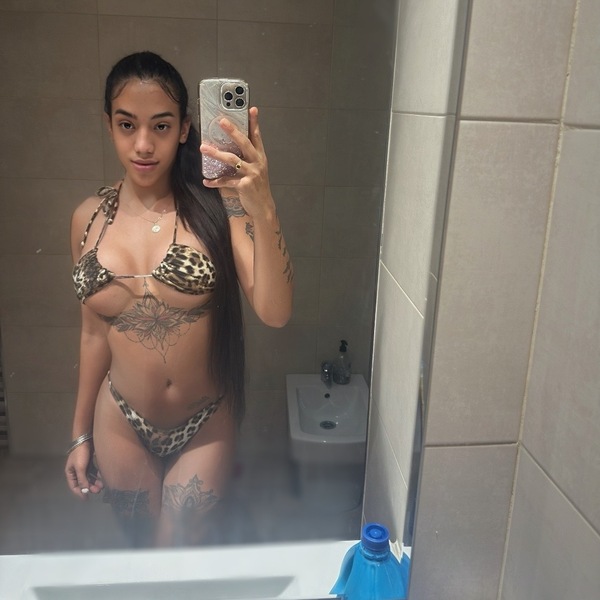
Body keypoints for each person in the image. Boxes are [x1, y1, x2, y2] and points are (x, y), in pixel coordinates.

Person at [64, 51, 293, 547]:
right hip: (120, 418)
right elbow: (93, 334)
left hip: (204, 421)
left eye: (161, 126)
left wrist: (262, 207)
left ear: (185, 129)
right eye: (127, 125)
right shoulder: (88, 219)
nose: (143, 144)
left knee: (179, 553)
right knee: (142, 551)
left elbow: (275, 313)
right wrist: (80, 434)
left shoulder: (218, 210)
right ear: (109, 125)